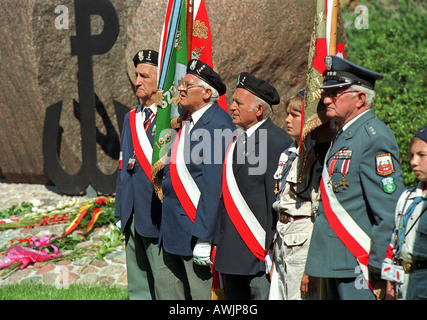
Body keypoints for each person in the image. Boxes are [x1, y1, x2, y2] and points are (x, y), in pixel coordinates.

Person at [304, 55, 405, 300]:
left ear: (360, 98)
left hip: (359, 261)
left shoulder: (374, 137)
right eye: (327, 92)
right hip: (336, 259)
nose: (326, 99)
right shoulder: (345, 133)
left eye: (336, 93)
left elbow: (388, 209)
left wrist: (380, 263)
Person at [155, 59, 235, 300]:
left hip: (194, 230)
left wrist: (204, 237)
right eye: (181, 84)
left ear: (206, 93)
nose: (180, 89)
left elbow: (212, 186)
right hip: (171, 230)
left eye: (187, 85)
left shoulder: (218, 125)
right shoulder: (187, 121)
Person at [214, 72, 292, 300]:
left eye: (239, 102)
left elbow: (275, 200)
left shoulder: (278, 142)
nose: (231, 106)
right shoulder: (236, 138)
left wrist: (270, 248)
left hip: (257, 252)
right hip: (232, 249)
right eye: (233, 101)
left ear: (259, 110)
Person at [268, 90, 326, 300]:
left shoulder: (318, 159)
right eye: (287, 114)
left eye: (295, 115)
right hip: (283, 237)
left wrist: (311, 265)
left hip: (304, 241)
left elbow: (319, 215)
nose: (286, 120)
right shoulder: (289, 153)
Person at [114, 49, 161, 300]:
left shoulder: (170, 119)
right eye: (136, 75)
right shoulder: (130, 117)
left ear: (159, 80)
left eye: (144, 76)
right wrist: (120, 209)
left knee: (161, 283)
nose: (137, 81)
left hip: (155, 214)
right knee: (138, 285)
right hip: (132, 211)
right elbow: (123, 167)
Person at [382, 125, 427, 300]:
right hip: (402, 287)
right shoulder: (406, 197)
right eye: (411, 155)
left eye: (421, 155)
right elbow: (394, 247)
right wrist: (390, 290)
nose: (413, 162)